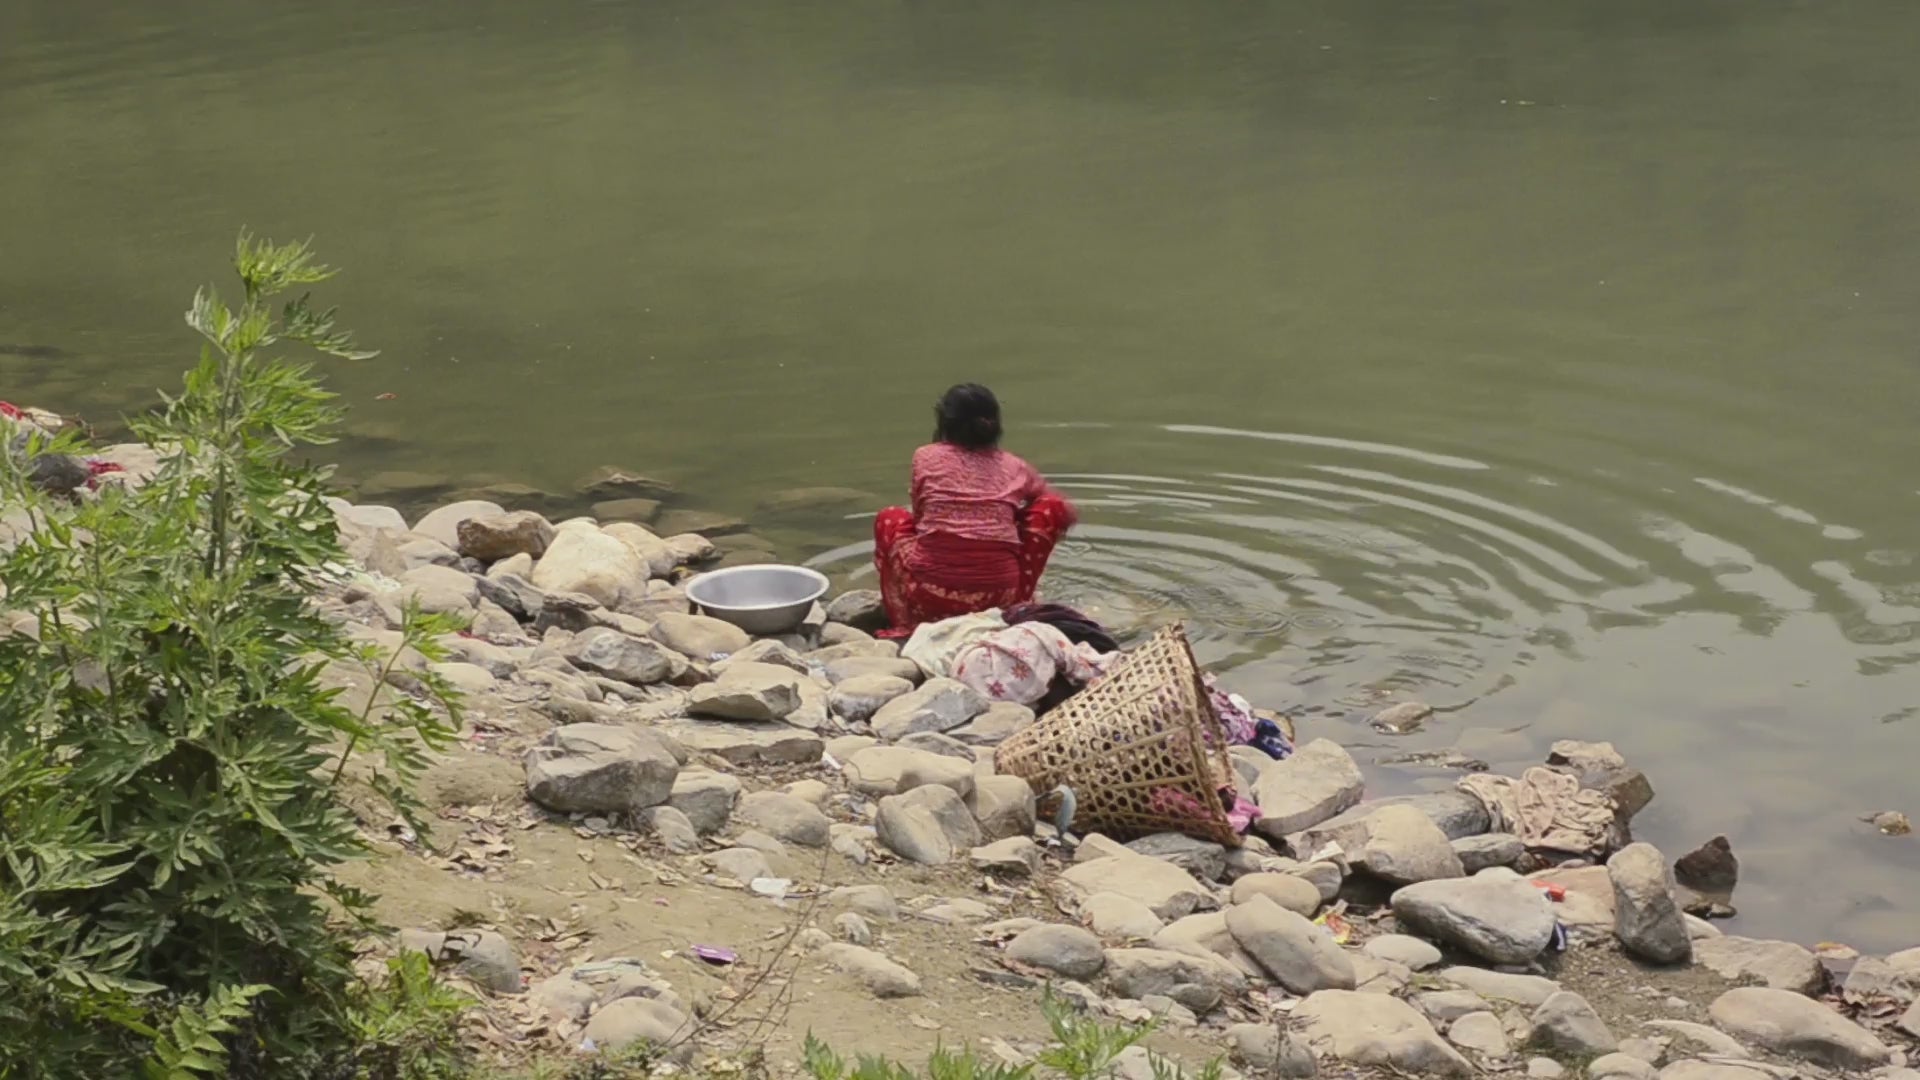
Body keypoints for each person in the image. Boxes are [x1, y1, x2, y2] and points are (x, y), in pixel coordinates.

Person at [873, 383, 1076, 638]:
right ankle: (1019, 603)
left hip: (930, 593)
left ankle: (905, 621)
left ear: (945, 421)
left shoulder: (925, 456)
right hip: (998, 599)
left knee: (890, 518)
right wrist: (1008, 521)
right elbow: (1064, 509)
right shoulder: (1015, 466)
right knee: (1051, 507)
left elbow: (921, 518)